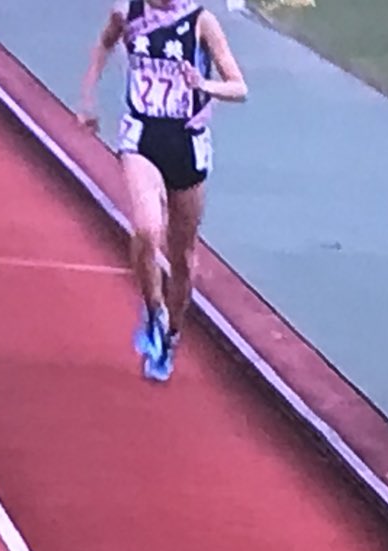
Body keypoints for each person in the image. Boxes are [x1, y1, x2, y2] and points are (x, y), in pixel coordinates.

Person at [79, 2, 248, 382]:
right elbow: (103, 45)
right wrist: (88, 98)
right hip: (141, 135)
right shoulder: (128, 12)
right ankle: (154, 310)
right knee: (146, 229)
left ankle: (171, 335)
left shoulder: (201, 21)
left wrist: (204, 85)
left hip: (187, 143)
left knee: (183, 256)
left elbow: (239, 86)